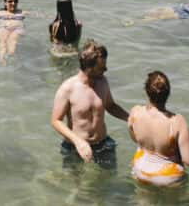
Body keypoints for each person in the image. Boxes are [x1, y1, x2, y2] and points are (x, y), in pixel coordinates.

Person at [50, 40, 131, 168]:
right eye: (101, 67)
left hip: (102, 143)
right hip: (74, 146)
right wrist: (78, 142)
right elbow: (55, 121)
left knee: (108, 181)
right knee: (74, 187)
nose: (106, 69)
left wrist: (130, 118)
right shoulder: (68, 88)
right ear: (89, 67)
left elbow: (110, 106)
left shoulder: (103, 82)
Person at [127, 71, 189, 186]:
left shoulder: (136, 112)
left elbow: (135, 139)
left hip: (140, 170)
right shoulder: (177, 121)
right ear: (168, 93)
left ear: (147, 92)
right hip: (168, 177)